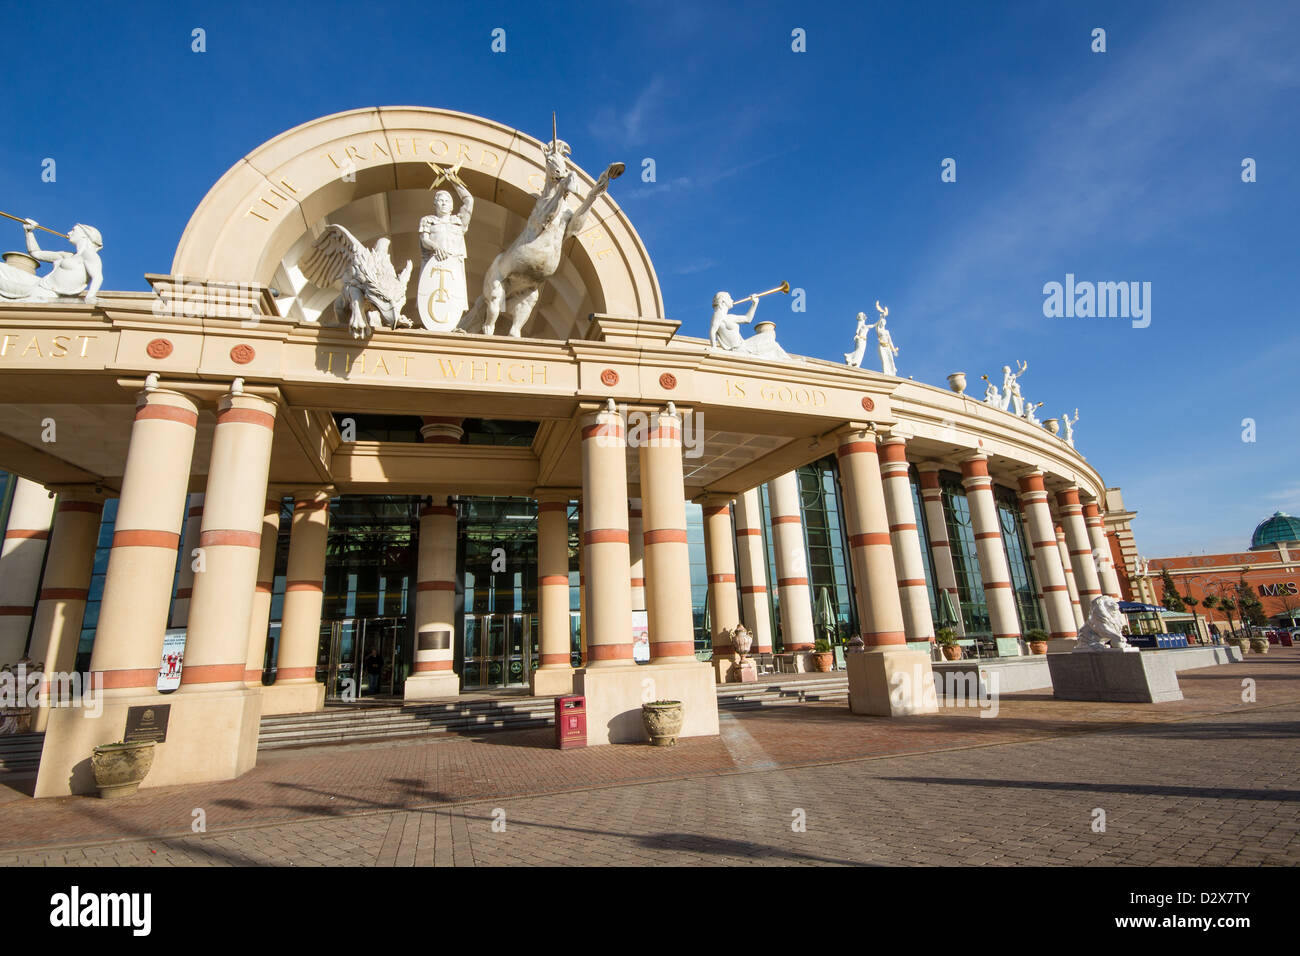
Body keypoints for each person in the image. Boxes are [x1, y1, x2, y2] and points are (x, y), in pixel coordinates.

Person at [0, 219, 103, 304]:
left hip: (46, 292)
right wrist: (29, 232)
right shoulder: (66, 255)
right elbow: (36, 253)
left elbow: (97, 277)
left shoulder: (89, 255)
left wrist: (90, 297)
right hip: (38, 284)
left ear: (84, 235)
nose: (69, 233)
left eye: (73, 230)